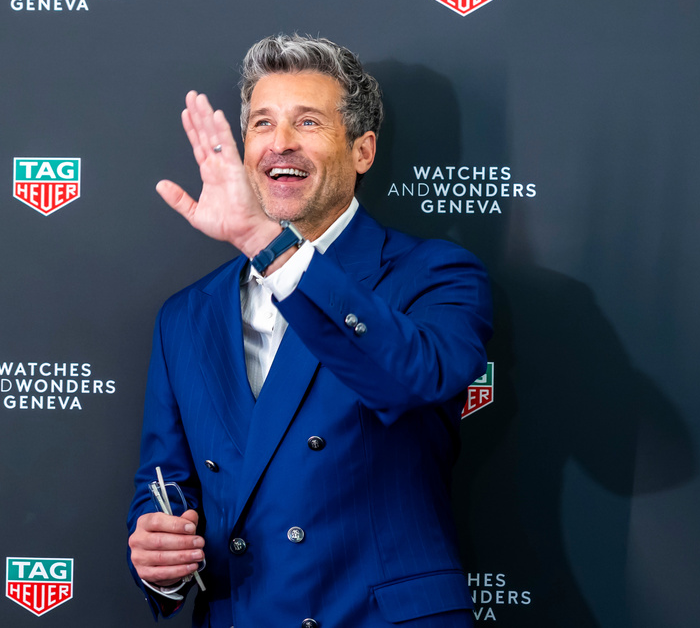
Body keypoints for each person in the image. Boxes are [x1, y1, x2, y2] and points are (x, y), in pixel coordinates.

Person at [127, 34, 492, 627]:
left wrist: (270, 248)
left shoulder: (436, 274)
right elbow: (165, 485)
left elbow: (411, 379)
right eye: (263, 124)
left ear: (363, 150)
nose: (280, 144)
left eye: (308, 122)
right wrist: (159, 557)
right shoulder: (184, 316)